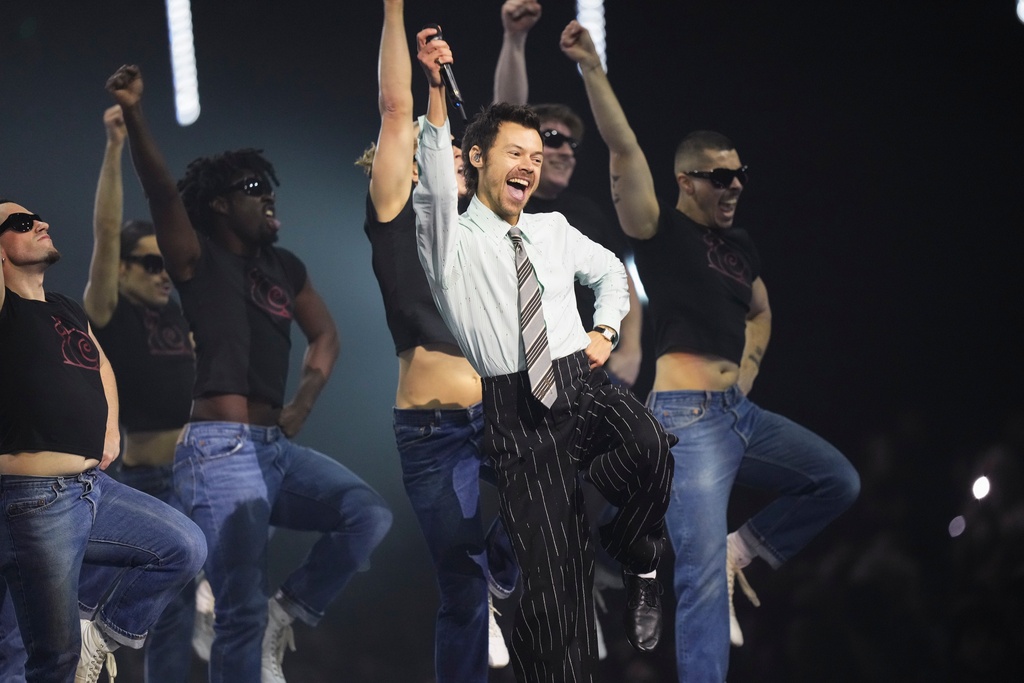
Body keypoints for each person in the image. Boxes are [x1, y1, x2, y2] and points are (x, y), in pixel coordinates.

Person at [558, 21, 861, 682]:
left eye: (740, 175)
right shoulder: (660, 231)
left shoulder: (740, 246)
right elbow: (623, 145)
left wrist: (748, 372)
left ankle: (742, 547)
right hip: (685, 422)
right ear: (686, 180)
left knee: (837, 478)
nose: (733, 187)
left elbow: (762, 309)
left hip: (736, 414)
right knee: (697, 585)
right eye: (719, 177)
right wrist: (591, 68)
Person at [106, 66, 394, 683]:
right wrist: (134, 113)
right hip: (218, 451)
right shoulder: (195, 257)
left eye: (272, 188)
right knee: (234, 606)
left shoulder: (284, 264)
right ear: (218, 203)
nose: (270, 197)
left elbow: (327, 336)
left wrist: (302, 406)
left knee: (367, 515)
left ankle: (289, 610)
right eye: (254, 187)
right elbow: (160, 191)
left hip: (276, 446)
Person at [414, 32, 676, 682]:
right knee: (558, 593)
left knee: (650, 445)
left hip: (580, 379)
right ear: (475, 160)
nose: (530, 164)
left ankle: (637, 555)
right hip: (514, 407)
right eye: (516, 152)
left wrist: (607, 332)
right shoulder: (448, 236)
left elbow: (613, 273)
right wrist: (434, 86)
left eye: (538, 153)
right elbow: (428, 161)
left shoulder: (554, 228)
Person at [355, 2, 517, 678]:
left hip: (500, 412)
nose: (453, 157)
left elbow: (511, 137)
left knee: (575, 478)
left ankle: (505, 571)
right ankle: (487, 587)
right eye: (440, 148)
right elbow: (398, 112)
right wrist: (396, 13)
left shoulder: (479, 232)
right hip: (433, 428)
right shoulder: (396, 212)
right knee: (460, 587)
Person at [0, 199, 207, 683]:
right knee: (51, 660)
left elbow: (101, 362)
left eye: (38, 217)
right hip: (35, 500)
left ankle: (99, 631)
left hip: (92, 489)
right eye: (22, 223)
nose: (42, 223)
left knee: (184, 547)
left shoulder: (64, 307)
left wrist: (110, 427)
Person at [75, 103, 199, 683]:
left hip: (199, 472)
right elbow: (105, 230)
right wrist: (114, 146)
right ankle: (86, 633)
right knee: (165, 607)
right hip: (144, 476)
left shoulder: (179, 311)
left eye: (164, 263)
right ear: (121, 270)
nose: (161, 273)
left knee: (185, 602)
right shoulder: (110, 310)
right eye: (148, 263)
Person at [493, 0, 644, 389]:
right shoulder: (504, 203)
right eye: (553, 139)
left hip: (587, 375)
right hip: (516, 377)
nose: (564, 150)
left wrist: (630, 348)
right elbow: (507, 117)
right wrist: (515, 37)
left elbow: (621, 276)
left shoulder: (585, 211)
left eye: (571, 144)